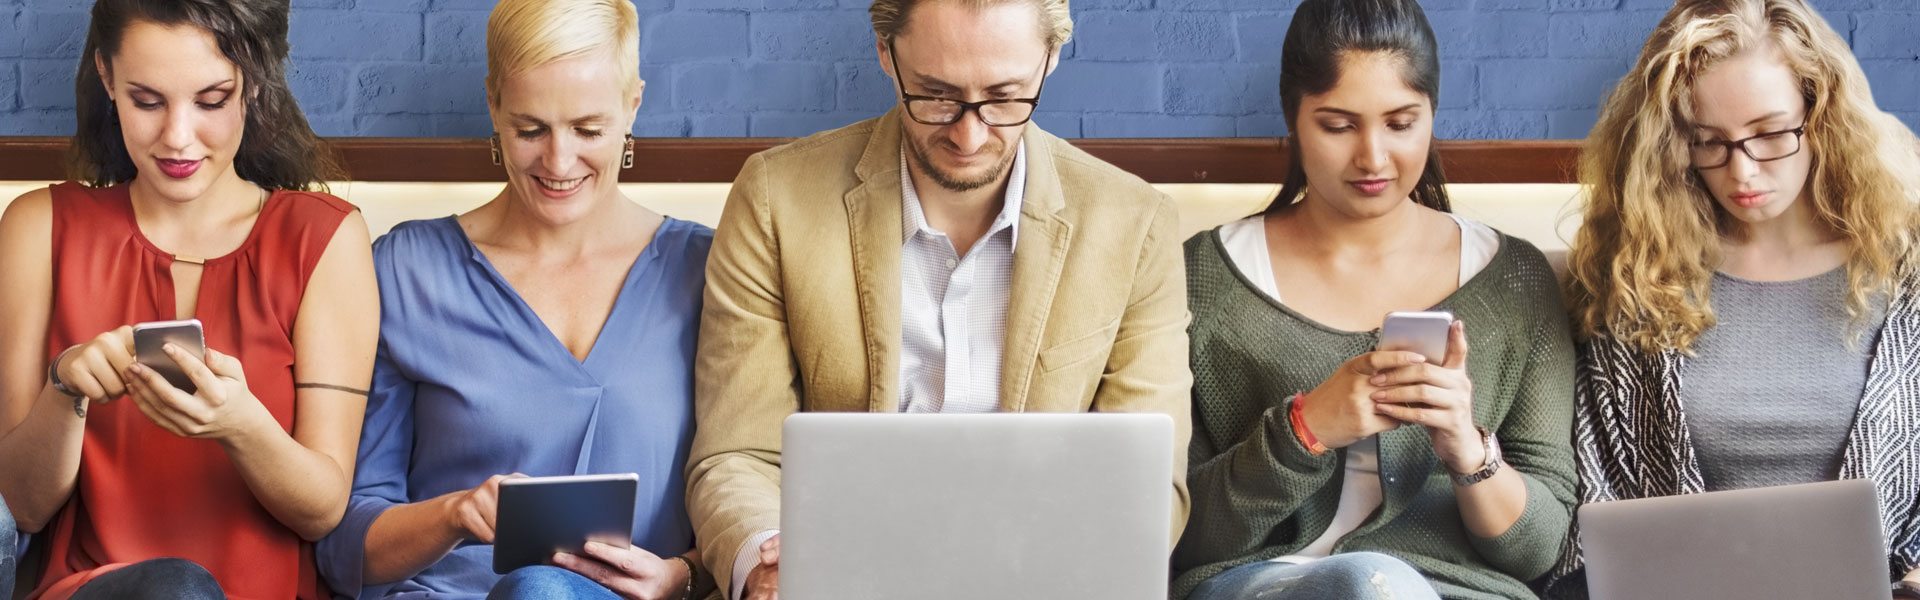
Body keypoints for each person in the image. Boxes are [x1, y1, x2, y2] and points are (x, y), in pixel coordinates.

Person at [685, 0, 1193, 598]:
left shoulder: (1135, 225)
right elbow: (737, 453)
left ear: (1050, 59)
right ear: (886, 55)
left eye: (1005, 98)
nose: (969, 134)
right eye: (934, 95)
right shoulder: (776, 199)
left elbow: (1148, 486)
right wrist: (765, 558)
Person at [1170, 0, 1579, 598]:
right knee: (1369, 583)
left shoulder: (1515, 280)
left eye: (1401, 122)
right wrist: (1305, 430)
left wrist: (1468, 448)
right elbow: (1176, 532)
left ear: (1432, 115)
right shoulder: (1203, 276)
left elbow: (1538, 551)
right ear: (1293, 119)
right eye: (1338, 126)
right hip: (1261, 588)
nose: (1373, 158)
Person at [313, 1, 716, 599]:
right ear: (493, 105)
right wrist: (453, 513)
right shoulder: (408, 269)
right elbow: (347, 544)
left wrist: (682, 575)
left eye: (587, 129)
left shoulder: (706, 269)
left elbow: (754, 489)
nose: (558, 162)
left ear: (633, 105)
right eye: (530, 129)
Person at [0, 0, 378, 598]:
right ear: (107, 79)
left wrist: (242, 426)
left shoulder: (323, 237)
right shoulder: (39, 227)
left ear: (253, 84)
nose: (177, 138)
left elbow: (322, 509)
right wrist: (64, 387)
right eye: (146, 101)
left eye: (210, 101)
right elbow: (20, 510)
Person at [1547, 0, 1920, 597]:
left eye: (1770, 134)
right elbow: (1596, 495)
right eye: (1708, 142)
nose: (1741, 172)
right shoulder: (1638, 276)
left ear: (1819, 113)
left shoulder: (1907, 272)